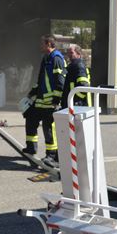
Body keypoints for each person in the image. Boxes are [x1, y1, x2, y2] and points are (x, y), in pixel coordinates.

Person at [24, 34, 65, 165]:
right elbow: (42, 79)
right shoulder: (46, 58)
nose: (40, 46)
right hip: (41, 100)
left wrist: (56, 99)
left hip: (50, 102)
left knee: (48, 128)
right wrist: (33, 91)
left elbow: (60, 81)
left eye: (42, 43)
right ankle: (31, 147)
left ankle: (51, 155)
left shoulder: (56, 58)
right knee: (30, 118)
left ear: (48, 44)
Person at [62, 43, 91, 108]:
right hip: (72, 104)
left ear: (78, 54)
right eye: (68, 53)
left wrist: (76, 100)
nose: (69, 55)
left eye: (71, 53)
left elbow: (84, 86)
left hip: (77, 106)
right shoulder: (73, 65)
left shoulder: (79, 66)